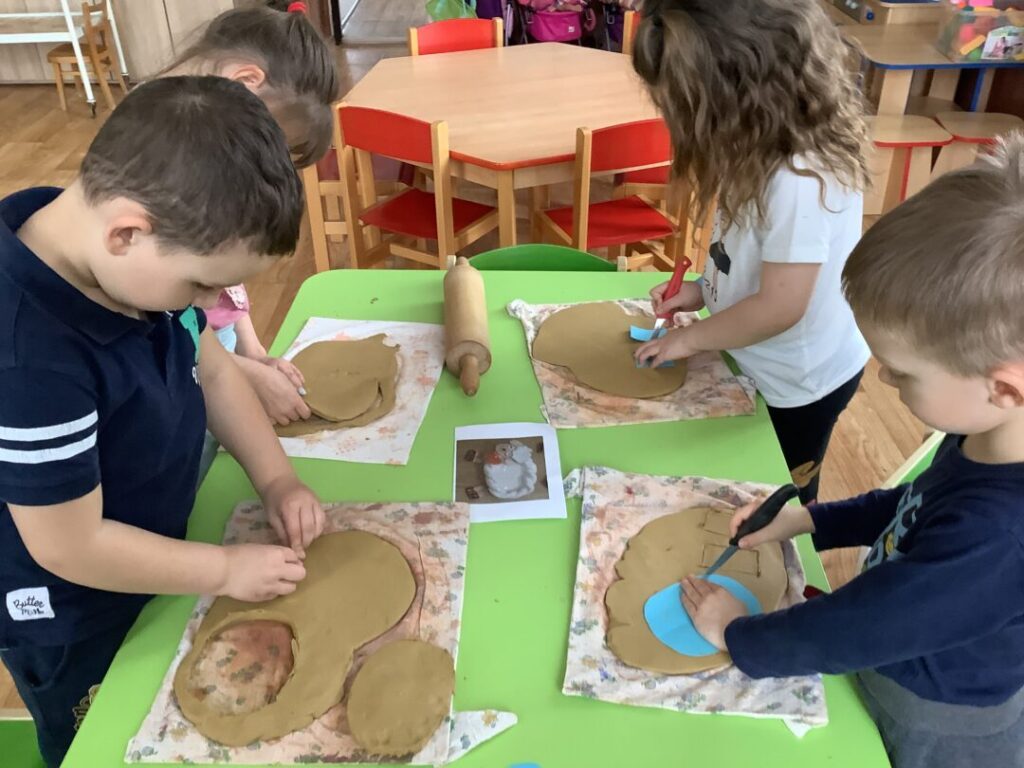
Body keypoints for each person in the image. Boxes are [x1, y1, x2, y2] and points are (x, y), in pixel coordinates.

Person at [0, 77, 326, 767]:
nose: (210, 303)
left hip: (157, 550)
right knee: (109, 741)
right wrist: (223, 567)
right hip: (76, 612)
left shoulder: (122, 261)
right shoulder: (30, 363)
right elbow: (71, 545)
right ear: (127, 232)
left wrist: (277, 479)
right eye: (201, 285)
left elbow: (213, 367)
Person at [679, 136, 1024, 768]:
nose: (883, 379)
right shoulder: (990, 432)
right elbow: (913, 507)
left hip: (934, 716)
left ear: (1003, 387)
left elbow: (866, 628)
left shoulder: (999, 536)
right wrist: (808, 520)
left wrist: (737, 634)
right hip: (900, 646)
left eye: (903, 372)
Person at [631, 0, 870, 504]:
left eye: (685, 111)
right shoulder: (758, 145)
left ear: (740, 93)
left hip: (802, 383)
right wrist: (702, 290)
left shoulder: (800, 178)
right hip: (761, 357)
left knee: (778, 497)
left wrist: (690, 339)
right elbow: (750, 256)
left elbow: (781, 306)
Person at [161, 0, 342, 477]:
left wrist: (251, 353)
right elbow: (158, 325)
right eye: (270, 146)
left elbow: (212, 299)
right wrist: (237, 373)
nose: (262, 167)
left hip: (204, 361)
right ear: (244, 83)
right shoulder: (163, 171)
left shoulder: (210, 157)